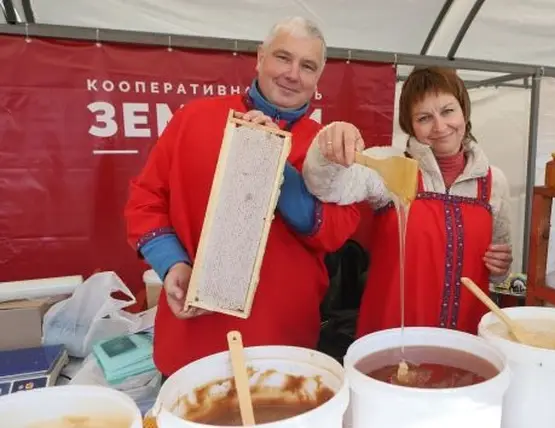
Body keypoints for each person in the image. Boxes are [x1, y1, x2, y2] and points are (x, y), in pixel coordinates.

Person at [124, 16, 361, 377]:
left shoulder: (325, 147)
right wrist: (172, 263)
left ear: (318, 78)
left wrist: (275, 168)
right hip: (194, 335)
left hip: (284, 340)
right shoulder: (193, 118)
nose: (293, 74)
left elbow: (338, 230)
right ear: (260, 58)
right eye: (283, 58)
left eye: (307, 66)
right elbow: (146, 200)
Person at [301, 66, 514, 337]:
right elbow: (324, 187)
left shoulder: (494, 182)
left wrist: (501, 267)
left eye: (448, 111)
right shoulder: (390, 166)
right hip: (392, 337)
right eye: (424, 117)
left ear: (464, 111)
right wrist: (328, 145)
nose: (440, 127)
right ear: (410, 125)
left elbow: (498, 272)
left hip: (466, 339)